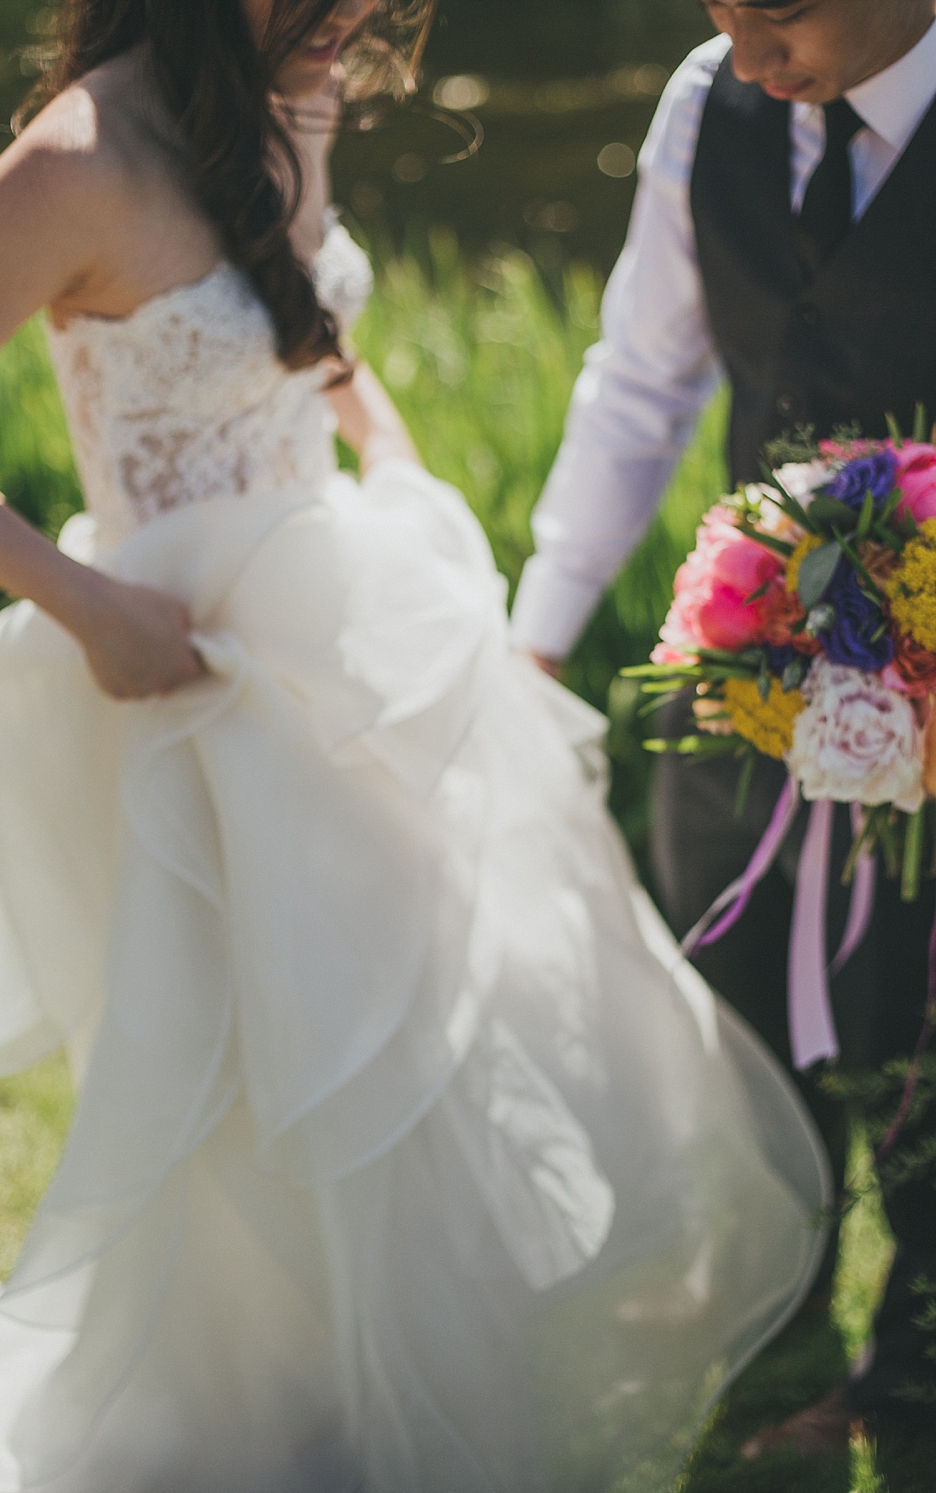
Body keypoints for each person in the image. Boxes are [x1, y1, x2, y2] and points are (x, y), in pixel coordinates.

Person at [0, 0, 832, 1488]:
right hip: (192, 673)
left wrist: (399, 457)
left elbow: (304, 317)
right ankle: (254, 1402)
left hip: (342, 624)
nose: (359, 16)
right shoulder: (70, 161)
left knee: (418, 1011)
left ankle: (389, 1386)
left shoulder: (293, 89)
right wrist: (86, 605)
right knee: (238, 1049)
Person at [509, 0, 936, 1453]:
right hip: (746, 667)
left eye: (784, 15)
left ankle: (906, 1379)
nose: (751, 55)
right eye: (724, 12)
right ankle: (773, 1287)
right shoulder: (709, 103)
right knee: (734, 980)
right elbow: (641, 377)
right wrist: (543, 625)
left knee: (924, 1022)